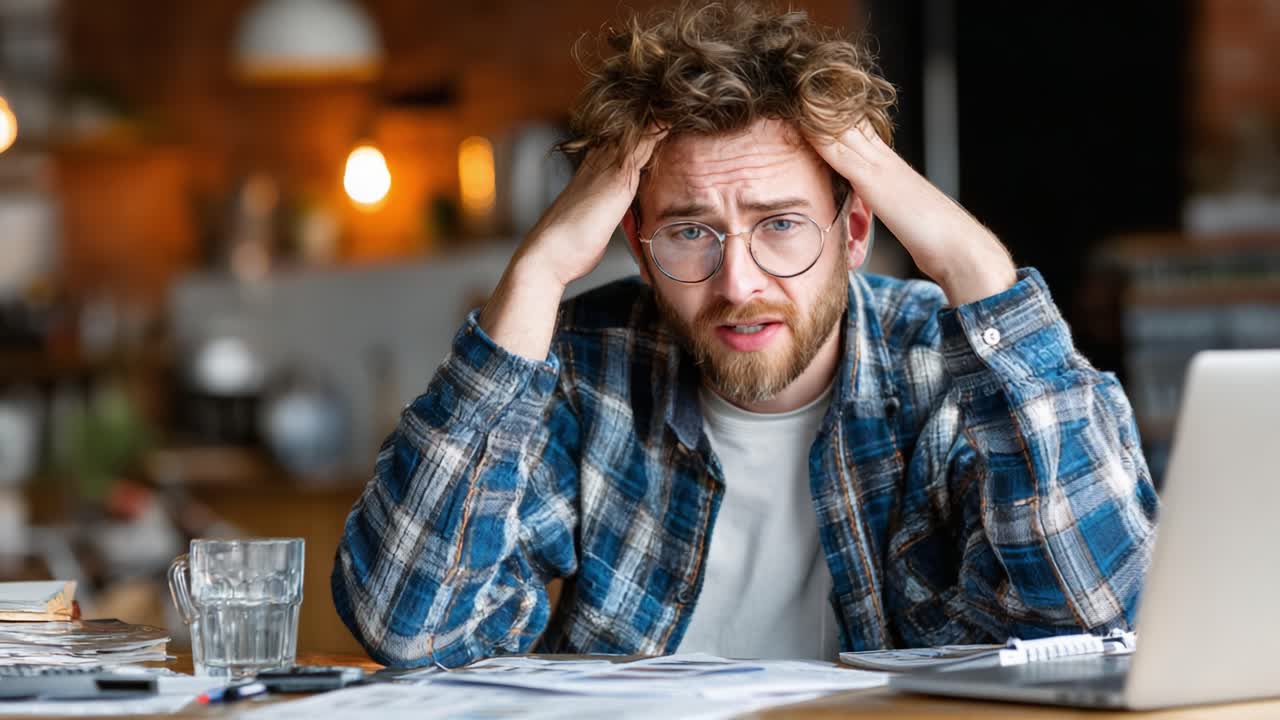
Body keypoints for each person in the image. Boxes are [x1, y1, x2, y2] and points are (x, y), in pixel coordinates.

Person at [332, 1, 1158, 668]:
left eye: (783, 225)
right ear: (639, 250)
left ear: (855, 229)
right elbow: (410, 628)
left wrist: (976, 267)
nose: (739, 284)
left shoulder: (942, 365)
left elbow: (1098, 615)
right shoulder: (586, 366)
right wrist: (539, 270)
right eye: (691, 232)